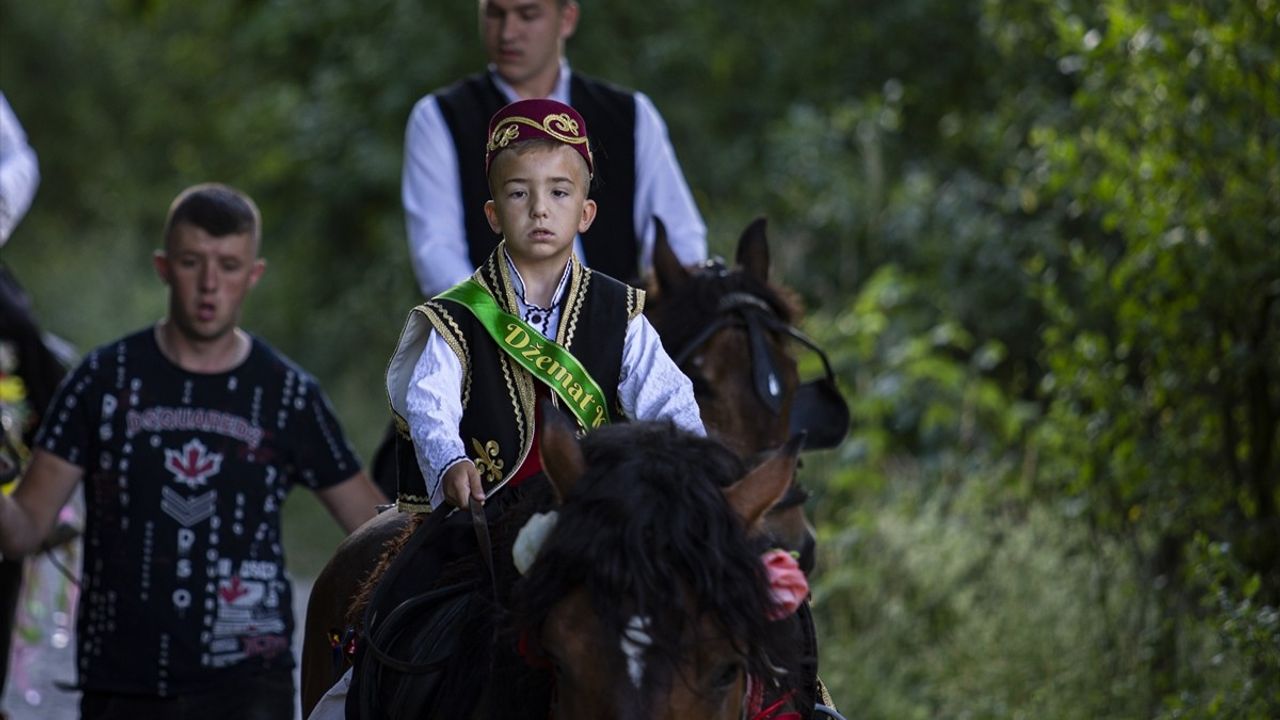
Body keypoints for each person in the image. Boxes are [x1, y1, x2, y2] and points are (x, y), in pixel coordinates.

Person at [0, 183, 387, 720]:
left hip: (250, 690)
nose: (209, 285)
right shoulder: (103, 381)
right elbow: (23, 529)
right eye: (191, 262)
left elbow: (374, 536)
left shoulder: (287, 394)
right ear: (163, 267)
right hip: (123, 686)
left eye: (229, 266)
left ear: (253, 275)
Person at [391, 97, 703, 512]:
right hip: (485, 514)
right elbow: (430, 401)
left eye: (559, 192)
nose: (540, 209)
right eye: (519, 193)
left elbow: (670, 402)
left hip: (597, 514)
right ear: (493, 214)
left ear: (585, 214)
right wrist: (450, 460)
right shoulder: (461, 313)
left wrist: (698, 473)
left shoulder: (618, 310)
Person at [402, 0, 706, 300]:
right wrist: (502, 330)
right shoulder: (441, 117)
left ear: (567, 18)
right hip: (492, 339)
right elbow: (438, 254)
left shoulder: (631, 114)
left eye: (527, 14)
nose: (507, 32)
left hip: (616, 337)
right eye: (495, 14)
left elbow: (681, 241)